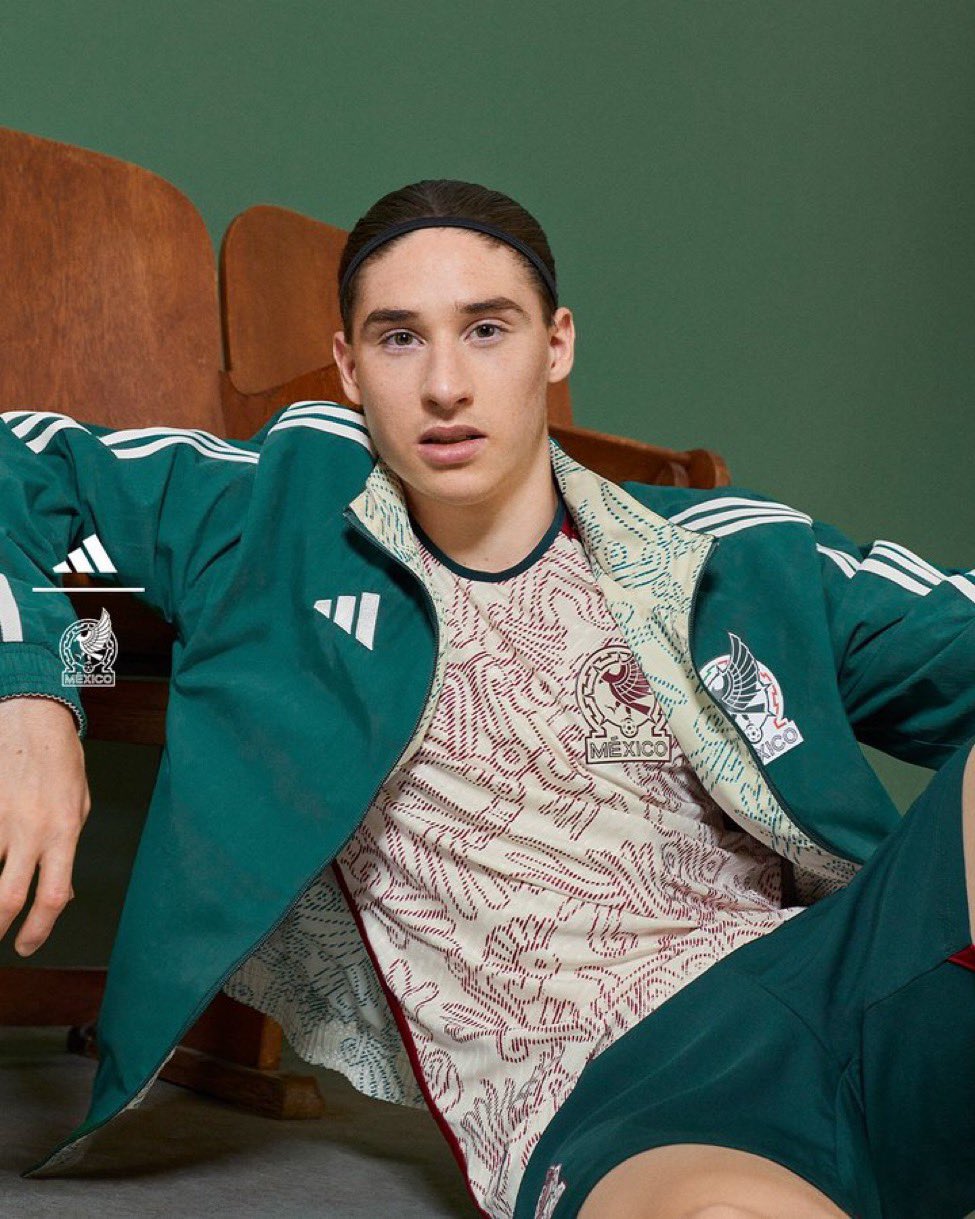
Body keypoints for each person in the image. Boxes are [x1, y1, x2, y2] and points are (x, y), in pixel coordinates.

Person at [0, 178, 973, 1219]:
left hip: (844, 974)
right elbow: (20, 464)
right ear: (348, 366)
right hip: (621, 1088)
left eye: (486, 329)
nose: (445, 385)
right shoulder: (273, 517)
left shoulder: (728, 556)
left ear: (555, 345)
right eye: (399, 338)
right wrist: (30, 698)